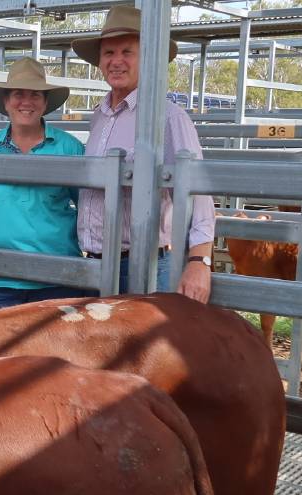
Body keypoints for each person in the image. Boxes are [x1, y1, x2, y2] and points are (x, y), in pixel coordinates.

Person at [71, 5, 214, 303]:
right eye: (109, 53)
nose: (116, 61)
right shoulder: (98, 117)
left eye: (127, 52)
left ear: (148, 58)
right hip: (94, 264)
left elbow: (197, 194)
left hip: (143, 264)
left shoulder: (168, 117)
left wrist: (199, 261)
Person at [0, 58, 87, 310]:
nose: (26, 102)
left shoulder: (69, 148)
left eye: (35, 95)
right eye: (18, 94)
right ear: (6, 102)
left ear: (45, 103)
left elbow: (89, 210)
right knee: (3, 350)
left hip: (58, 279)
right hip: (3, 280)